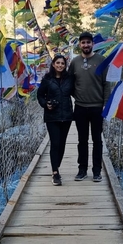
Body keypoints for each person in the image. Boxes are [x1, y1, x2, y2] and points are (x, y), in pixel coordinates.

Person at [68, 31, 110, 182]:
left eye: (88, 42)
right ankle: (82, 170)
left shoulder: (101, 60)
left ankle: (97, 171)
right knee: (82, 140)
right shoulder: (74, 62)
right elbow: (69, 83)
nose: (86, 45)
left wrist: (105, 104)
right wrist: (76, 96)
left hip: (97, 107)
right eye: (83, 42)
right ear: (79, 44)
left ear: (93, 44)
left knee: (97, 140)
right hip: (80, 107)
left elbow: (106, 84)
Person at [37, 54, 74, 186]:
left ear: (65, 65)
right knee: (55, 143)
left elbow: (77, 92)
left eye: (62, 63)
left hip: (67, 116)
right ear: (53, 64)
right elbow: (40, 95)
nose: (60, 65)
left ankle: (56, 166)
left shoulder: (69, 79)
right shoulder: (47, 79)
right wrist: (45, 104)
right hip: (52, 116)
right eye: (57, 63)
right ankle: (55, 172)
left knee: (62, 144)